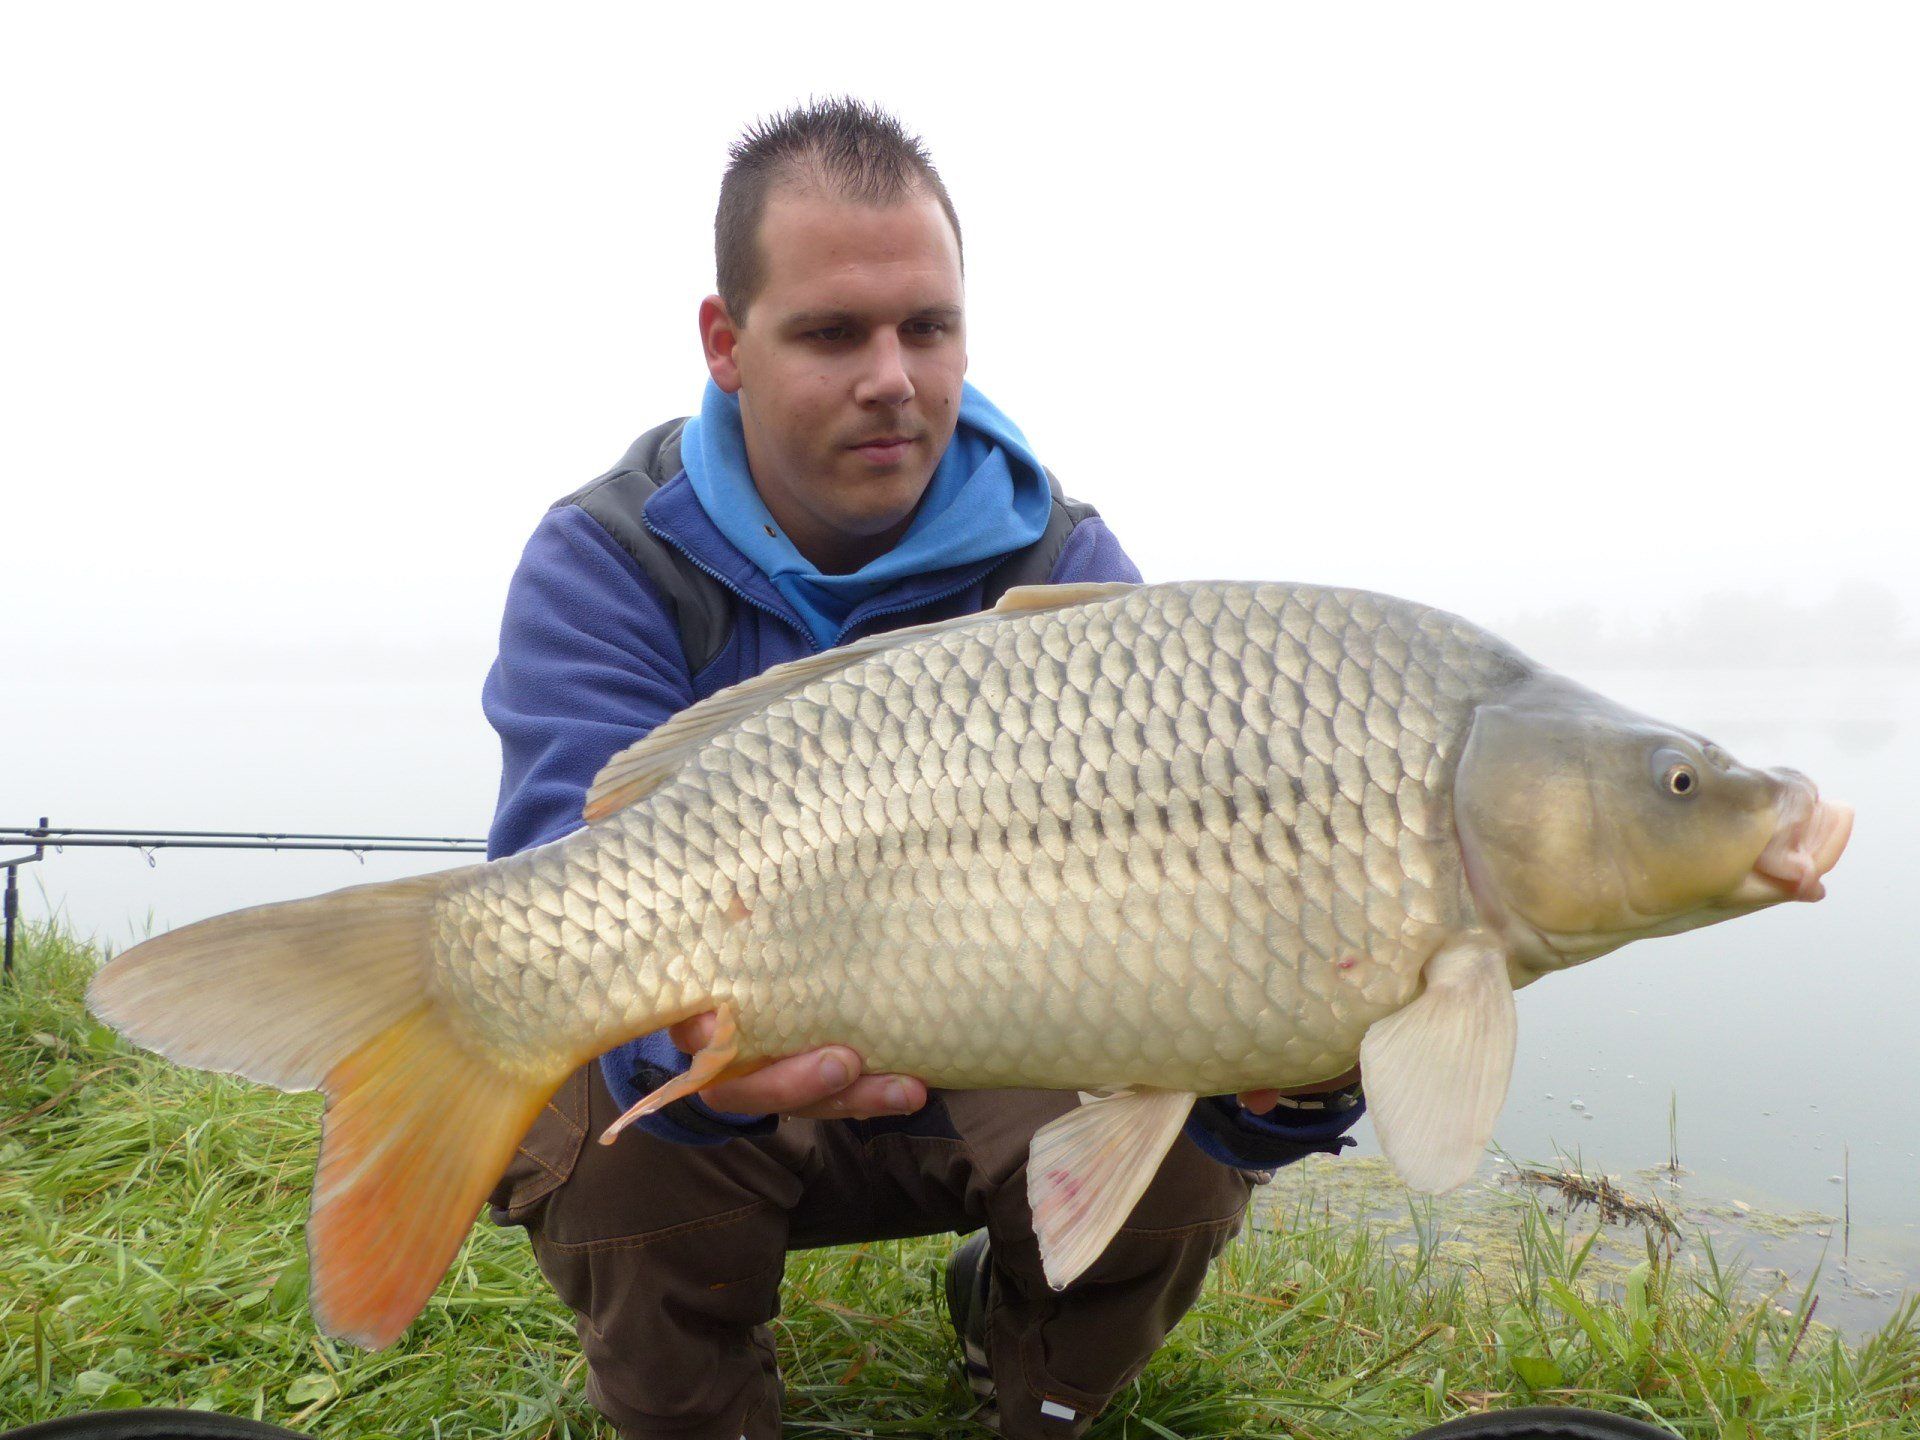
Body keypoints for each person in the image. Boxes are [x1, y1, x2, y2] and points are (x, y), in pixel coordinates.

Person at [481, 98, 1366, 1440]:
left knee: (1179, 1143)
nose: (891, 376)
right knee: (585, 1102)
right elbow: (557, 864)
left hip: (991, 1060)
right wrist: (687, 1051)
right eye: (833, 333)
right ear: (726, 344)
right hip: (725, 1083)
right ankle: (699, 1407)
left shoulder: (1061, 568)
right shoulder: (613, 559)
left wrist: (1290, 1072)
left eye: (927, 328)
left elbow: (1190, 938)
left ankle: (1045, 1383)